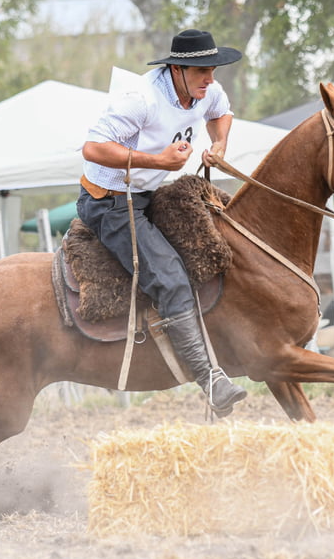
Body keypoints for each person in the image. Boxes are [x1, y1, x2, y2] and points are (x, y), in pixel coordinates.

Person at [76, 29, 246, 415]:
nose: (210, 78)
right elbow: (93, 148)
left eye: (213, 70)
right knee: (170, 277)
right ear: (177, 69)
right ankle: (211, 380)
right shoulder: (142, 99)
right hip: (111, 202)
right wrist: (158, 161)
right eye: (202, 70)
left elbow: (222, 113)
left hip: (147, 195)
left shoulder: (206, 90)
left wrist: (218, 147)